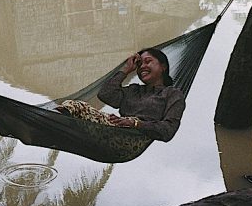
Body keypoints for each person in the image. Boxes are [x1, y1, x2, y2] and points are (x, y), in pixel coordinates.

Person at [56, 48, 185, 142]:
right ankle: (51, 121)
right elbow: (106, 95)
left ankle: (54, 124)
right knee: (75, 106)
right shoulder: (134, 90)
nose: (142, 67)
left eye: (148, 61)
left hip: (132, 140)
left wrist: (135, 124)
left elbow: (168, 130)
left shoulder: (173, 94)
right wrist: (126, 70)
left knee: (75, 108)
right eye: (139, 65)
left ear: (163, 67)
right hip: (114, 130)